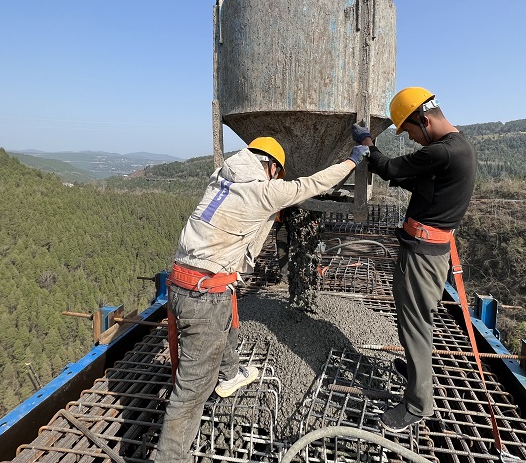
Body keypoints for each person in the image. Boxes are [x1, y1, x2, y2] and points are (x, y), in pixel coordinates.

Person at [155, 136, 369, 463]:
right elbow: (311, 184)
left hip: (184, 283)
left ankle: (229, 376)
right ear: (271, 167)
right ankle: (169, 457)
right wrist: (352, 161)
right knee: (188, 395)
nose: (277, 181)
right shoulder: (262, 191)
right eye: (277, 175)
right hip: (204, 296)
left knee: (225, 322)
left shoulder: (221, 179)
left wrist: (271, 215)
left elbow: (244, 214)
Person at [352, 86, 476, 433]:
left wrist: (367, 146)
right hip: (431, 252)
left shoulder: (442, 152)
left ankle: (417, 404)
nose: (412, 139)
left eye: (409, 131)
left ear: (423, 119)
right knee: (419, 319)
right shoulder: (458, 147)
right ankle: (416, 370)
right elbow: (420, 186)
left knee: (415, 324)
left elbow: (391, 170)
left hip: (422, 257)